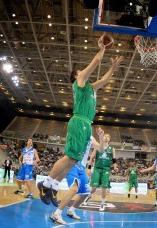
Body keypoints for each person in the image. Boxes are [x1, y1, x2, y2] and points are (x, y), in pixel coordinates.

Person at [37, 34, 124, 207]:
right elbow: (95, 63)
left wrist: (113, 68)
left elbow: (105, 80)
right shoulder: (80, 82)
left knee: (74, 160)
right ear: (77, 77)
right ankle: (45, 184)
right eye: (80, 72)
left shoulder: (90, 89)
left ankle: (53, 187)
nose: (83, 72)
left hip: (86, 124)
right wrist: (102, 48)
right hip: (79, 121)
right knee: (69, 157)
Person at [50, 128, 105, 225]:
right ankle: (56, 213)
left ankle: (71, 211)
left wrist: (101, 136)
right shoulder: (76, 133)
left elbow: (101, 149)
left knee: (85, 193)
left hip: (81, 168)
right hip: (73, 164)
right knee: (74, 188)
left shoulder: (91, 138)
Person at [82, 133, 118, 211]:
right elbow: (91, 158)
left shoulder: (112, 149)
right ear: (102, 138)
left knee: (104, 187)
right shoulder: (97, 147)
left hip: (106, 169)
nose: (106, 138)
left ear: (109, 139)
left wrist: (115, 167)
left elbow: (114, 160)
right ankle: (89, 196)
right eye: (105, 136)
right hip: (97, 169)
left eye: (108, 136)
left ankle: (102, 203)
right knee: (94, 187)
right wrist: (89, 168)